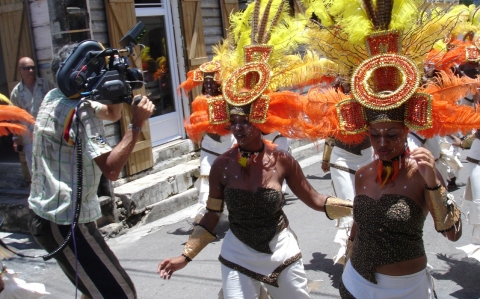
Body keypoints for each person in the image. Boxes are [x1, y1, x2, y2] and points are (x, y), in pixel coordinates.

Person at [158, 2, 353, 297]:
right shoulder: (222, 166)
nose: (238, 128)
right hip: (237, 255)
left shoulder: (282, 160)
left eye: (245, 121)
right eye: (233, 121)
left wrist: (360, 208)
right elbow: (212, 218)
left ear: (259, 121)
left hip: (281, 253)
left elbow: (315, 199)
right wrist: (185, 256)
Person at [300, 1, 480, 297]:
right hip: (357, 283)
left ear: (408, 129)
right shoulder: (363, 175)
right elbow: (359, 227)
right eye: (374, 135)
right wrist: (347, 264)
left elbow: (452, 232)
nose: (382, 143)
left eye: (392, 135)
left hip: (407, 289)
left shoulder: (422, 175)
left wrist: (434, 182)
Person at [28, 43, 155, 299]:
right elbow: (111, 169)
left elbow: (109, 113)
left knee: (94, 292)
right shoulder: (80, 113)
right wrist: (137, 123)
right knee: (121, 294)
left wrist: (115, 92)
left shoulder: (54, 96)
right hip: (64, 223)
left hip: (50, 215)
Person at [178, 60, 236, 223]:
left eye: (212, 82)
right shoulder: (198, 100)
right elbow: (197, 123)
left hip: (227, 145)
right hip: (209, 146)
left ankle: (234, 214)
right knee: (206, 178)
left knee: (230, 181)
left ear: (219, 84)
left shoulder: (228, 98)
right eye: (206, 82)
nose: (209, 85)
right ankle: (203, 214)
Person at [9, 57, 55, 177]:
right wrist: (15, 139)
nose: (30, 70)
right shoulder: (17, 93)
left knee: (53, 168)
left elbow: (57, 104)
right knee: (36, 171)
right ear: (20, 70)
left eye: (32, 67)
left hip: (49, 134)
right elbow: (13, 117)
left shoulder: (46, 85)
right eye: (27, 68)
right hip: (29, 138)